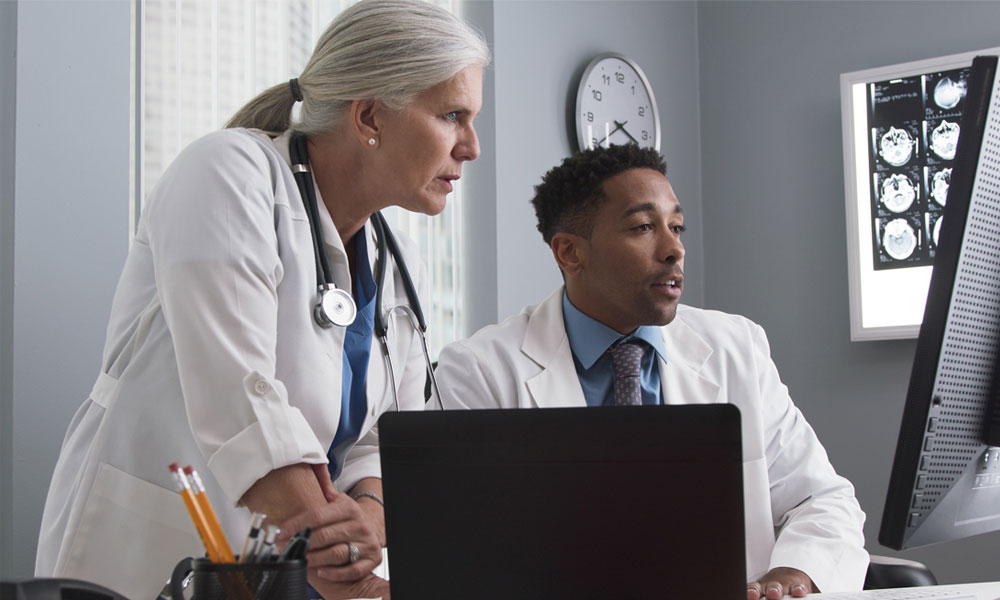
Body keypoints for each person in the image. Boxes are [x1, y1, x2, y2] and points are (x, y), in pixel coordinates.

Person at [35, 1, 488, 598]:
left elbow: (384, 436)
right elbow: (241, 399)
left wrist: (369, 522)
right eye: (453, 115)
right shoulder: (229, 175)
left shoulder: (396, 259)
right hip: (162, 556)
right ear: (370, 114)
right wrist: (349, 571)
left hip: (292, 570)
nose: (472, 147)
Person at [433, 144, 869, 599]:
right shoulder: (481, 371)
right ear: (569, 252)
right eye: (643, 227)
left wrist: (792, 578)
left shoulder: (736, 347)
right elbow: (462, 549)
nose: (673, 249)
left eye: (676, 227)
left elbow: (820, 499)